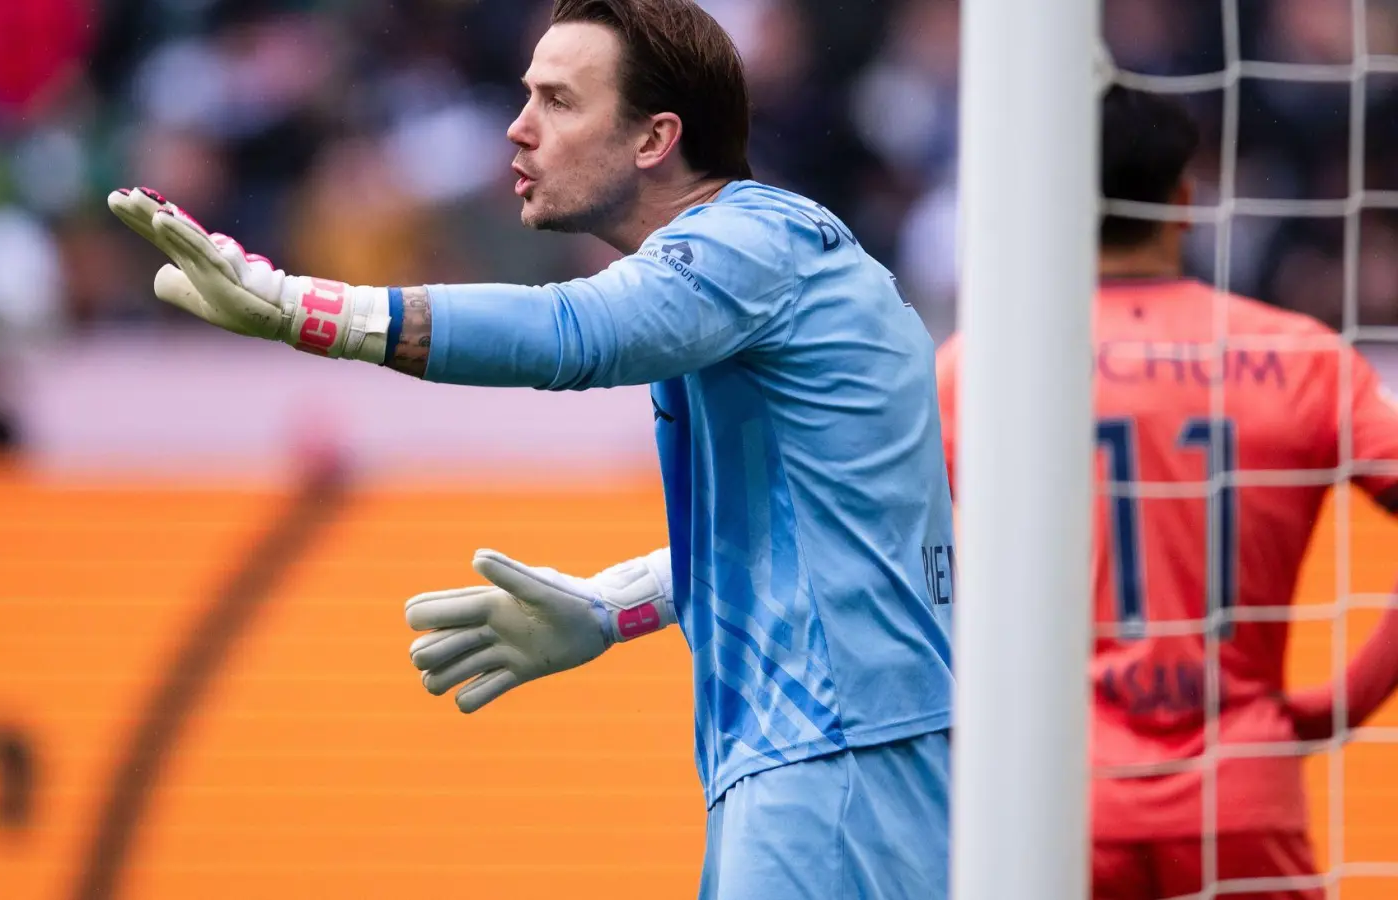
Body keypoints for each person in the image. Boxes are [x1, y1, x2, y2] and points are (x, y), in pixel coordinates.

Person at [106, 1, 955, 897]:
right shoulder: (779, 265)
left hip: (831, 766)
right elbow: (821, 532)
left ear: (654, 137)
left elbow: (569, 333)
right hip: (851, 759)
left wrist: (302, 311)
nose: (518, 127)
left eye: (558, 100)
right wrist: (612, 606)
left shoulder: (753, 245)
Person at [935, 85, 1398, 900]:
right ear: (1184, 201)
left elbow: (891, 569)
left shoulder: (979, 368)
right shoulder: (1302, 356)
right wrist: (1342, 705)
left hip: (1057, 799)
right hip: (1244, 795)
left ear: (1047, 195)